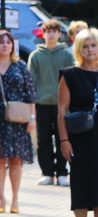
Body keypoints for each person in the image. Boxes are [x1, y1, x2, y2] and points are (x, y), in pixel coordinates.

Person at [0, 30, 37, 214]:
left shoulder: (20, 67)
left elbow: (31, 94)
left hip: (17, 119)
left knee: (16, 159)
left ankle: (15, 198)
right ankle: (1, 197)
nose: (5, 45)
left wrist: (32, 117)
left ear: (12, 46)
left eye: (8, 42)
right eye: (1, 42)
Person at [58, 28, 98, 217]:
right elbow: (62, 109)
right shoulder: (70, 74)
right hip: (79, 138)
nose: (90, 50)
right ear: (79, 48)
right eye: (85, 45)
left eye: (94, 45)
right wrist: (64, 140)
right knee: (81, 184)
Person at [28, 19, 75, 186]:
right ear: (43, 34)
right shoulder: (36, 55)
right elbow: (31, 82)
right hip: (42, 103)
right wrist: (31, 104)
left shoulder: (67, 55)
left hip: (62, 104)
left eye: (55, 31)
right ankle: (47, 172)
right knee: (44, 139)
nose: (51, 34)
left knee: (62, 137)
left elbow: (72, 80)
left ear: (59, 34)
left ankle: (62, 172)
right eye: (48, 31)